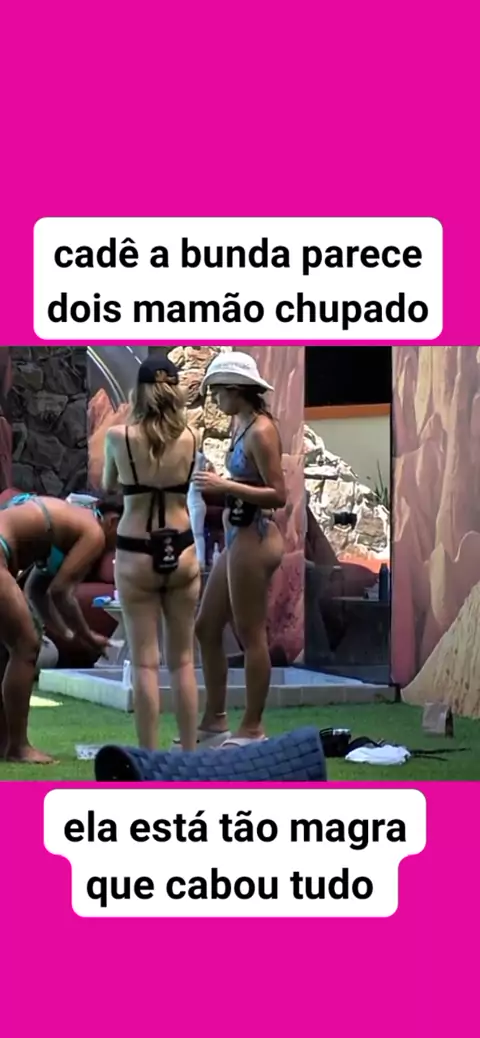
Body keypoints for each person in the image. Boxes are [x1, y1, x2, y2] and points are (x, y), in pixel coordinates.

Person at [102, 354, 201, 752]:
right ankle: (189, 753)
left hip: (135, 549)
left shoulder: (118, 437)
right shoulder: (192, 436)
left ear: (139, 392)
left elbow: (109, 484)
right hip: (182, 547)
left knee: (145, 662)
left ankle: (148, 758)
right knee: (183, 661)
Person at [192, 351, 286, 749]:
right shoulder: (241, 423)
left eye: (218, 392)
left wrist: (224, 486)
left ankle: (252, 726)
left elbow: (278, 494)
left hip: (255, 535)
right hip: (238, 535)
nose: (215, 401)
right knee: (206, 626)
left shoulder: (261, 431)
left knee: (251, 633)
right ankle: (215, 720)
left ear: (235, 390)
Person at [0, 493, 121, 763]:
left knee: (9, 649)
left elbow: (37, 590)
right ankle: (19, 747)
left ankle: (5, 742)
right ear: (113, 521)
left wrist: (66, 632)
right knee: (25, 647)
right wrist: (87, 635)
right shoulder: (94, 532)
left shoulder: (71, 523)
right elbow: (62, 592)